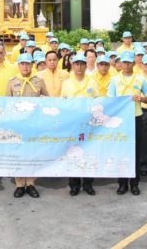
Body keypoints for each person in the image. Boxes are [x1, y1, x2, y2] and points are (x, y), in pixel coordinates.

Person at [108, 51, 147, 195]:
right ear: (120, 64)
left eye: (129, 62)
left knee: (135, 151)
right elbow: (110, 101)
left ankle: (134, 183)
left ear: (134, 63)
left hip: (136, 118)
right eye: (123, 62)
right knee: (120, 151)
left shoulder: (140, 79)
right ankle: (122, 184)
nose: (126, 65)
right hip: (120, 121)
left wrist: (142, 99)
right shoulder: (114, 80)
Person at [6, 53, 48, 198]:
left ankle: (30, 183)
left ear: (32, 65)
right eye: (22, 64)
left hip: (34, 125)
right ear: (18, 65)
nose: (25, 66)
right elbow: (7, 104)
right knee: (18, 153)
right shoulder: (11, 82)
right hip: (17, 125)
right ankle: (19, 184)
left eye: (28, 64)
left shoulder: (39, 81)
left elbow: (48, 101)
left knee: (32, 153)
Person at [60, 53, 98, 196]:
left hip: (89, 124)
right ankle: (74, 184)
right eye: (77, 64)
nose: (80, 66)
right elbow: (62, 103)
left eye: (82, 63)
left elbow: (98, 102)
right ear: (73, 65)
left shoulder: (92, 82)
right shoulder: (67, 83)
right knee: (73, 153)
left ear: (86, 64)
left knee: (89, 152)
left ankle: (88, 184)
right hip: (73, 124)